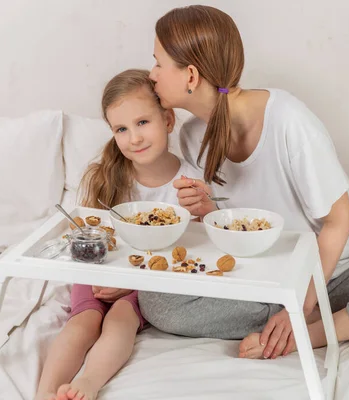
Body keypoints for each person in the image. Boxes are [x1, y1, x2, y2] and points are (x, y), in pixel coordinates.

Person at [138, 4, 349, 360]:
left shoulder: (288, 119)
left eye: (159, 63)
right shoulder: (193, 136)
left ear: (190, 76)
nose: (152, 74)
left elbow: (339, 219)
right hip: (267, 276)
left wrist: (299, 308)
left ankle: (311, 333)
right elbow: (239, 227)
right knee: (157, 301)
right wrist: (207, 211)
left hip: (339, 272)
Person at [35, 69, 202, 400]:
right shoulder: (106, 176)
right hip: (99, 269)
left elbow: (188, 251)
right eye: (121, 129)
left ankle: (88, 383)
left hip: (144, 280)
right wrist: (100, 269)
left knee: (121, 320)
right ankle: (44, 394)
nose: (134, 138)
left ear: (167, 120)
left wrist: (130, 281)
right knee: (83, 321)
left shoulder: (188, 184)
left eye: (143, 123)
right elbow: (85, 232)